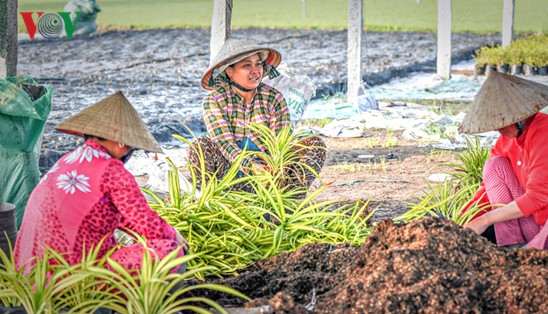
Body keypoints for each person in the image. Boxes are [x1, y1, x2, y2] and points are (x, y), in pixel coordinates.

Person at [14, 91, 188, 271]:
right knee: (170, 252)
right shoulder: (111, 170)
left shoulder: (66, 161)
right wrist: (172, 233)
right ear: (121, 143)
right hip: (75, 276)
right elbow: (150, 226)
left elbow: (118, 216)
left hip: (29, 275)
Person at [461, 71, 548, 257]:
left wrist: (485, 220)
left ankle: (528, 255)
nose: (497, 129)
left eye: (502, 123)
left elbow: (537, 197)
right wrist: (460, 222)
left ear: (519, 117)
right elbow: (487, 192)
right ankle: (512, 248)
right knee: (494, 166)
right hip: (535, 227)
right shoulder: (505, 141)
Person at [188, 38, 326, 190]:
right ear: (230, 71)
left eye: (258, 64)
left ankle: (287, 203)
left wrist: (272, 169)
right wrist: (249, 165)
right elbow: (224, 142)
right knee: (199, 147)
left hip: (268, 177)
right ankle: (210, 202)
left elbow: (281, 141)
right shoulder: (215, 100)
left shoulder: (274, 98)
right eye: (247, 65)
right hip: (230, 176)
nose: (255, 70)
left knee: (315, 144)